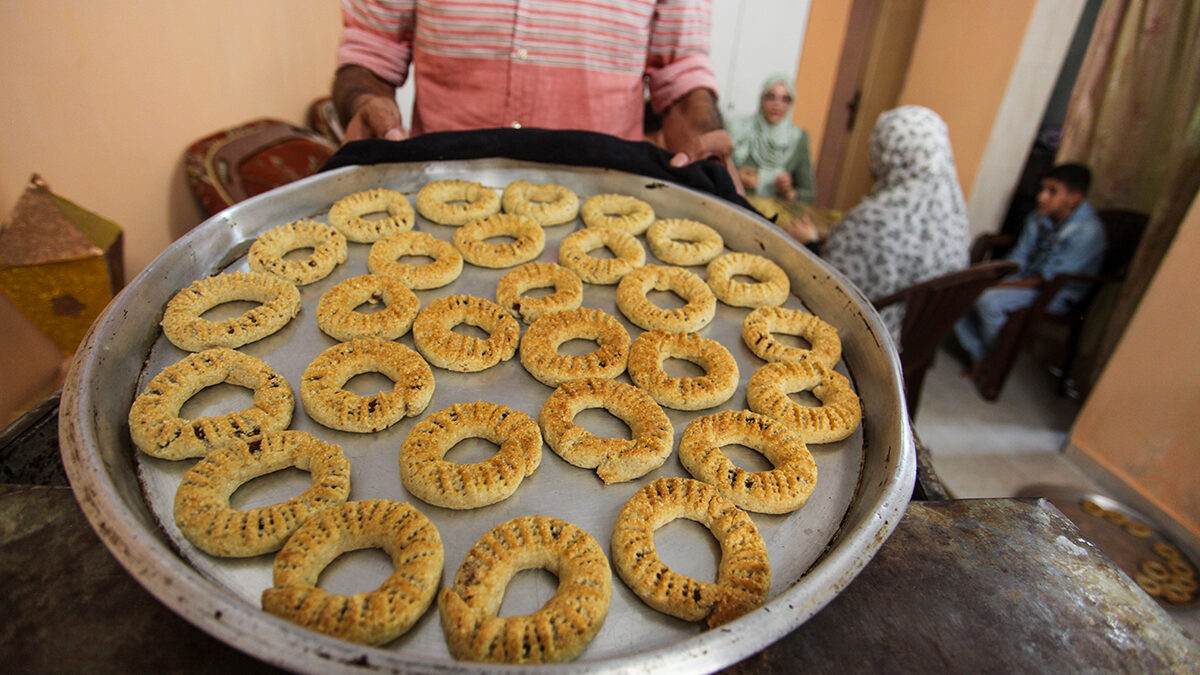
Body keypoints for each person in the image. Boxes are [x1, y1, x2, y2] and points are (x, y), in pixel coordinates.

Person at [332, 0, 737, 179]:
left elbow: (680, 73)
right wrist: (364, 101)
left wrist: (703, 139)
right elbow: (370, 51)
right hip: (437, 186)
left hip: (606, 200)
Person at [783, 105, 970, 339]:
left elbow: (832, 291)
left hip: (872, 334)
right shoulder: (952, 212)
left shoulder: (875, 220)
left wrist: (809, 244)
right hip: (918, 333)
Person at [954, 163, 1106, 374]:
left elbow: (1048, 278)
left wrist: (998, 286)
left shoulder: (1087, 232)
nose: (1041, 197)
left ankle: (996, 362)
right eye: (1043, 189)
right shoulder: (1038, 217)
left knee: (989, 300)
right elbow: (1020, 257)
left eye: (1052, 191)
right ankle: (982, 353)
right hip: (1026, 278)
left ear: (1074, 198)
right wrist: (993, 276)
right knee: (958, 291)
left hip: (1056, 293)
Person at [729, 74, 816, 203]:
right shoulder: (739, 129)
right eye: (771, 97)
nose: (777, 105)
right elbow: (714, 170)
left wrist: (789, 192)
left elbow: (808, 193)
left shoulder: (798, 138)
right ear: (761, 99)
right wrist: (735, 176)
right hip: (736, 204)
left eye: (785, 99)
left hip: (774, 211)